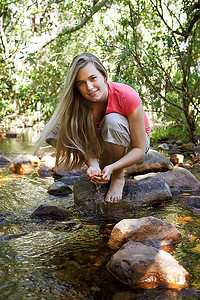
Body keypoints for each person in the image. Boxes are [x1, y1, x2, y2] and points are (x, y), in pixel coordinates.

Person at [34, 53, 150, 203]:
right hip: (102, 143)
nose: (89, 87)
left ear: (104, 75)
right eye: (81, 83)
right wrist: (93, 165)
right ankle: (101, 166)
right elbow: (84, 138)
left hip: (133, 144)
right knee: (54, 128)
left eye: (93, 78)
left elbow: (139, 149)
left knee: (112, 120)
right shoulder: (80, 103)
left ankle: (117, 175)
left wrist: (114, 168)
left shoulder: (127, 96)